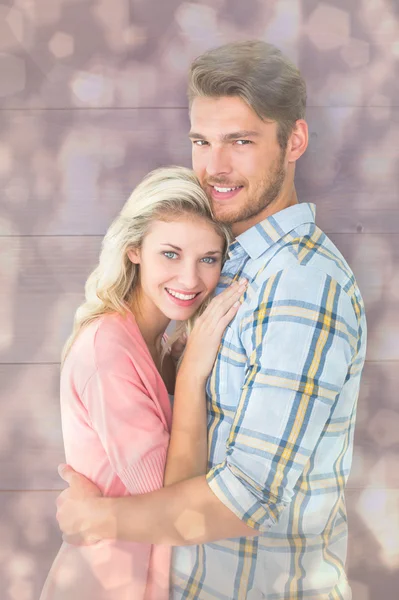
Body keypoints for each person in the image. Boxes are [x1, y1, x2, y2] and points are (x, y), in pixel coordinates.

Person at [55, 41, 367, 599]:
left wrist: (98, 519)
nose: (214, 167)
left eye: (240, 142)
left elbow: (246, 499)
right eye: (202, 141)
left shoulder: (301, 285)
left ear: (293, 141)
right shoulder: (228, 264)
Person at [40, 165, 247, 600]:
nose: (190, 280)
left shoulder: (153, 342)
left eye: (208, 259)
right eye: (170, 254)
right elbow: (170, 506)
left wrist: (176, 371)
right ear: (134, 249)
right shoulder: (109, 349)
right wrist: (191, 376)